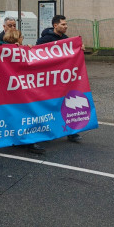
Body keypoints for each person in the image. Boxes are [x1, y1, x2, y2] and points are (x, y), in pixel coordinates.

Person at [36, 15, 81, 143]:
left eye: (66, 24)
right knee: (47, 106)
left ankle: (71, 132)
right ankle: (43, 132)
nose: (65, 26)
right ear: (55, 25)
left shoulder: (67, 40)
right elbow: (37, 56)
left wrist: (79, 49)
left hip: (62, 80)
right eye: (63, 24)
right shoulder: (45, 40)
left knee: (66, 104)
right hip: (49, 80)